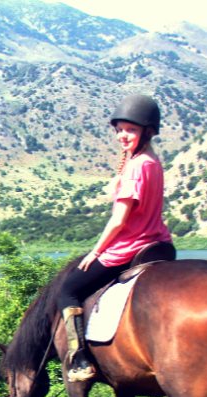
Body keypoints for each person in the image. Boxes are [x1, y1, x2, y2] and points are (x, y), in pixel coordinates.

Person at [57, 94, 173, 382]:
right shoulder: (151, 161)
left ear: (146, 131)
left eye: (131, 130)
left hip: (129, 247)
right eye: (120, 129)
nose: (123, 135)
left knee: (67, 291)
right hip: (159, 245)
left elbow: (119, 220)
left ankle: (80, 358)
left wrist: (95, 253)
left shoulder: (135, 167)